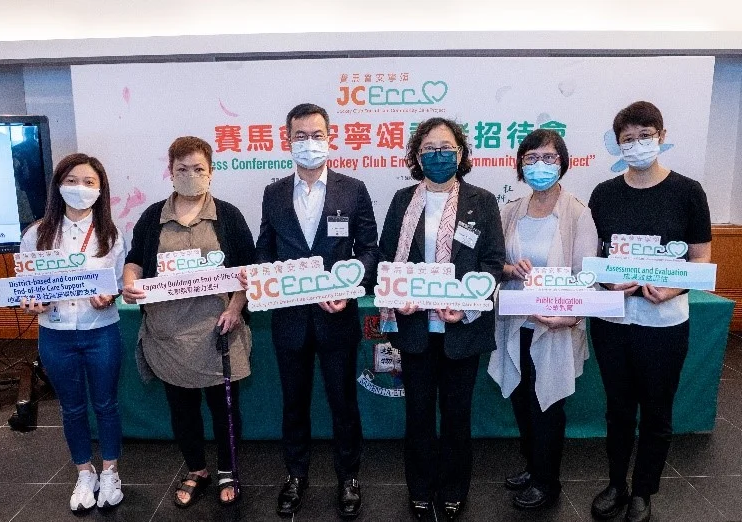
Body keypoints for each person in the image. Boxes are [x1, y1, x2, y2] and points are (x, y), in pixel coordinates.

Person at [250, 103, 378, 519]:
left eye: (316, 135)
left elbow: (370, 251)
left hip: (337, 316)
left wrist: (350, 285)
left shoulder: (352, 189)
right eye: (300, 136)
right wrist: (266, 276)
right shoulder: (273, 192)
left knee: (343, 402)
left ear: (331, 137)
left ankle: (349, 477)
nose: (309, 143)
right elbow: (265, 247)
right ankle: (296, 475)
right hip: (289, 320)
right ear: (287, 141)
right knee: (294, 403)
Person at [587, 101, 712, 522]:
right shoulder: (603, 194)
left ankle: (644, 490)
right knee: (618, 409)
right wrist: (607, 282)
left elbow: (700, 260)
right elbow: (596, 258)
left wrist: (672, 286)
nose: (637, 145)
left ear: (660, 135)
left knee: (657, 410)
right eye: (628, 139)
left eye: (645, 135)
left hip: (664, 321)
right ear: (616, 144)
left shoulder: (688, 191)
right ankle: (616, 483)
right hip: (613, 319)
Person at [378, 117, 505, 520]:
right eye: (429, 149)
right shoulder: (401, 200)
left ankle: (453, 489)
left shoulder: (482, 201)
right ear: (417, 156)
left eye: (445, 147)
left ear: (461, 153)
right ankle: (419, 487)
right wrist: (399, 296)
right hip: (415, 328)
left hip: (461, 329)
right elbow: (385, 259)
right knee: (417, 415)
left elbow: (492, 262)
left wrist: (466, 304)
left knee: (456, 415)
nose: (438, 155)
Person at [121, 136, 255, 508]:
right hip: (168, 334)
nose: (190, 175)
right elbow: (135, 260)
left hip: (217, 332)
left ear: (211, 173)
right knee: (182, 409)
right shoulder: (152, 217)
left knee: (224, 408)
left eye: (198, 168)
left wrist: (235, 306)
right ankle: (196, 469)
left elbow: (247, 270)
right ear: (171, 173)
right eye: (182, 169)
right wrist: (129, 282)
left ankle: (228, 469)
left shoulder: (228, 215)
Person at [487, 129, 598, 510]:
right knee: (520, 398)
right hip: (517, 320)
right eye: (531, 158)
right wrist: (508, 267)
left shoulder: (578, 213)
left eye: (548, 158)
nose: (539, 166)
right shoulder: (512, 209)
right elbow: (495, 262)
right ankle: (532, 466)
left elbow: (587, 276)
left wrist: (570, 317)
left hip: (554, 326)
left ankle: (547, 482)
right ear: (520, 165)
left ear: (562, 163)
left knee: (547, 405)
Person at [19, 153, 126, 513]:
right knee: (72, 407)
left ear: (101, 190)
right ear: (58, 186)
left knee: (107, 404)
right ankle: (84, 471)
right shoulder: (37, 234)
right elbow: (27, 288)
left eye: (89, 183)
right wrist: (32, 303)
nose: (80, 189)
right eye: (72, 181)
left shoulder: (110, 233)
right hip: (56, 334)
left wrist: (109, 295)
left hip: (101, 331)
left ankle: (111, 470)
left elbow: (118, 283)